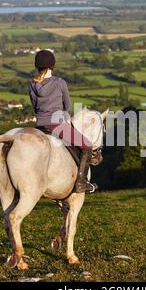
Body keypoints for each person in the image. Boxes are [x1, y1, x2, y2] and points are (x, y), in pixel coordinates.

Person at [29, 50, 97, 194]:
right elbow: (68, 107)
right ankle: (81, 182)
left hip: (40, 126)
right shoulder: (60, 82)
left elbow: (35, 108)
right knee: (87, 146)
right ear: (52, 66)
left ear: (37, 66)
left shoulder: (32, 85)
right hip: (57, 125)